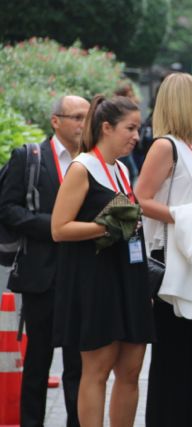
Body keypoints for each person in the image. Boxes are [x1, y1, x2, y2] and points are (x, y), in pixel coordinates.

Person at [50, 95, 154, 427]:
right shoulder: (82, 167)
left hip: (128, 277)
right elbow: (59, 229)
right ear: (106, 128)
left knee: (131, 369)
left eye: (137, 128)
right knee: (97, 370)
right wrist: (106, 227)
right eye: (130, 128)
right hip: (96, 280)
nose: (136, 136)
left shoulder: (121, 168)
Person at [135, 72, 192, 427]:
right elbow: (140, 199)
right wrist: (188, 217)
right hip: (171, 259)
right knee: (173, 358)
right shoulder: (165, 146)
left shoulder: (190, 145)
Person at [0, 95, 87, 427]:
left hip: (82, 276)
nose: (83, 124)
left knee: (79, 364)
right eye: (76, 117)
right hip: (41, 275)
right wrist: (54, 227)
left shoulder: (93, 161)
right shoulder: (30, 158)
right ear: (56, 121)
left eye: (87, 118)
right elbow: (7, 209)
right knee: (37, 361)